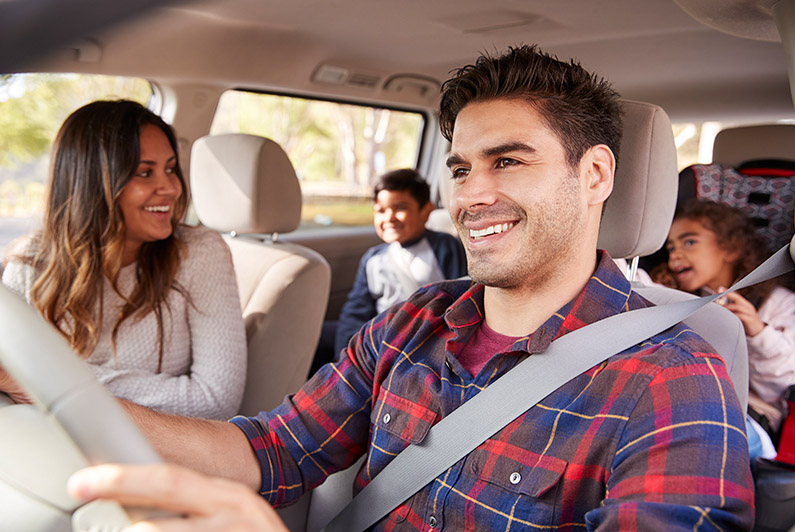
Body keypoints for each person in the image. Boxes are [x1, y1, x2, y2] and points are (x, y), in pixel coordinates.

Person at [66, 46, 753, 530]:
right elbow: (269, 450)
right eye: (459, 170)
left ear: (595, 175)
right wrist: (65, 398)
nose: (472, 197)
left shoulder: (671, 382)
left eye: (508, 161)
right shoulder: (412, 323)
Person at [1, 100, 247, 420]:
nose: (171, 187)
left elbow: (216, 400)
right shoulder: (29, 266)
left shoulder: (198, 253)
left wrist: (54, 382)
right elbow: (10, 385)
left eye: (170, 169)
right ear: (91, 184)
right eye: (146, 173)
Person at [663, 199, 795, 446]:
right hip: (690, 400)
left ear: (731, 248)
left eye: (689, 242)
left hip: (753, 418)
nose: (676, 254)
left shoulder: (779, 303)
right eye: (670, 248)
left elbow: (785, 384)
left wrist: (758, 332)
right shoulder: (680, 301)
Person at [333, 168, 467, 356]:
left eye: (400, 208)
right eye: (381, 210)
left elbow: (461, 298)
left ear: (426, 211)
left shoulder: (444, 246)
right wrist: (345, 353)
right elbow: (355, 312)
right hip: (380, 338)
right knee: (315, 333)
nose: (389, 217)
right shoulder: (373, 258)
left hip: (426, 338)